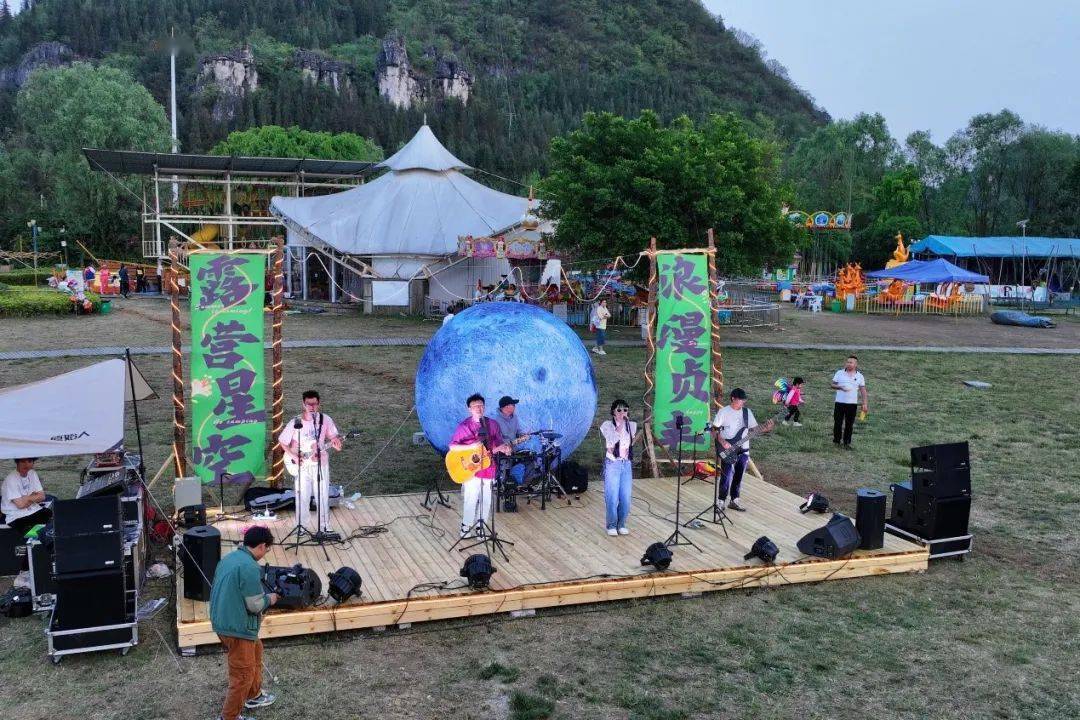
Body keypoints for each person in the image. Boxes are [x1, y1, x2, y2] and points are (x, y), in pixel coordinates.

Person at [209, 525, 280, 720]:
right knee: (242, 676)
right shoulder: (249, 567)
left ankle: (253, 695)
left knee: (256, 649)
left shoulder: (230, 558)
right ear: (262, 546)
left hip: (223, 620)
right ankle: (229, 717)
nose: (265, 553)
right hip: (236, 628)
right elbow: (255, 605)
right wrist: (270, 599)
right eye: (267, 549)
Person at [277, 390, 342, 534]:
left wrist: (336, 444)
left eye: (314, 404)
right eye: (308, 404)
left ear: (319, 403)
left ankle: (324, 526)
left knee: (322, 495)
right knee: (302, 496)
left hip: (320, 463)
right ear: (303, 404)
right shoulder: (296, 422)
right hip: (301, 465)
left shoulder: (325, 419)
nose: (312, 407)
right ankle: (301, 526)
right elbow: (282, 441)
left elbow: (333, 438)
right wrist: (293, 456)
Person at [449, 394, 510, 536]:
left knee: (486, 499)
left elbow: (499, 443)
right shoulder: (464, 426)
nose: (479, 408)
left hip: (488, 466)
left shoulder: (492, 424)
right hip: (471, 468)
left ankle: (481, 527)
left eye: (481, 405)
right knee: (471, 498)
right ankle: (466, 527)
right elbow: (453, 447)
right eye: (475, 406)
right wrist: (471, 446)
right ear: (469, 409)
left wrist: (505, 448)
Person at [711, 388, 774, 511]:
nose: (743, 402)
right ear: (733, 398)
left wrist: (766, 428)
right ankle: (721, 501)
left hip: (744, 449)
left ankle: (734, 500)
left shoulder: (747, 412)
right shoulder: (723, 412)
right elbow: (714, 430)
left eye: (744, 400)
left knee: (739, 475)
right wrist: (722, 442)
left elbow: (754, 430)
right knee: (726, 476)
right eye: (740, 400)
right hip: (728, 449)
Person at [598, 399, 638, 535]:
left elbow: (630, 441)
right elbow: (612, 439)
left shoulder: (632, 425)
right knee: (612, 496)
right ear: (613, 412)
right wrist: (620, 425)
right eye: (619, 410)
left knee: (626, 497)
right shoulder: (607, 425)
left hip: (626, 463)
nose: (622, 413)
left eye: (625, 410)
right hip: (613, 463)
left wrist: (625, 423)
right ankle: (611, 525)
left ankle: (621, 524)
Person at [488, 396, 532, 495]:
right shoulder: (496, 421)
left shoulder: (514, 417)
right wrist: (506, 446)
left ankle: (518, 486)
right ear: (506, 407)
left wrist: (523, 436)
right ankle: (502, 487)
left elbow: (518, 432)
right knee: (504, 470)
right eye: (513, 404)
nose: (515, 406)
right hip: (501, 452)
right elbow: (495, 440)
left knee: (529, 460)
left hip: (513, 450)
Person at [1, 458, 52, 534]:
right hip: (16, 515)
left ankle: (39, 534)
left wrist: (27, 498)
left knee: (50, 513)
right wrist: (33, 496)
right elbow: (20, 505)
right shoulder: (11, 479)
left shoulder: (32, 473)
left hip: (33, 510)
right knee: (33, 528)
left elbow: (42, 496)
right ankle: (34, 536)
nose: (26, 464)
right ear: (17, 462)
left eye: (30, 461)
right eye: (23, 461)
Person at [831, 355, 868, 449]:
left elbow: (863, 390)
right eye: (847, 362)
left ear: (855, 364)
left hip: (852, 404)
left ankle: (847, 443)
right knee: (838, 423)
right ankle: (836, 441)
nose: (848, 364)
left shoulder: (860, 376)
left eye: (851, 362)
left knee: (849, 424)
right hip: (839, 403)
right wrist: (840, 387)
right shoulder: (839, 373)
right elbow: (832, 385)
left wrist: (864, 403)